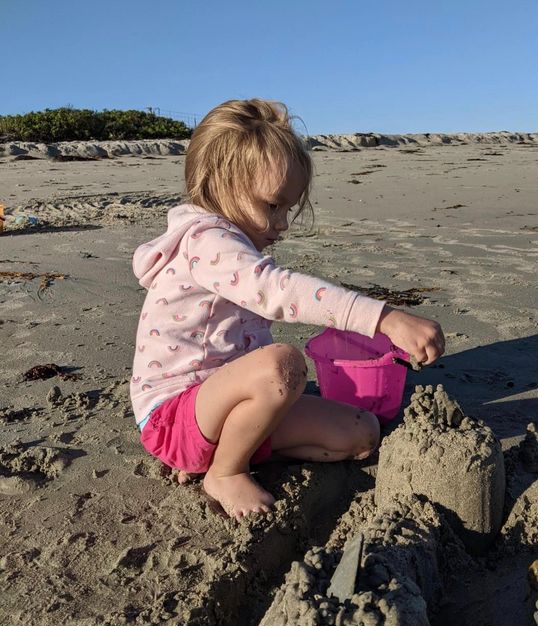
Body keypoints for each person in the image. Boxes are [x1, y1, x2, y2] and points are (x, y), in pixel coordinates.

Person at [130, 99, 444, 520]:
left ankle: (216, 453)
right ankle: (224, 471)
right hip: (174, 415)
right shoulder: (208, 240)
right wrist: (384, 317)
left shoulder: (231, 241)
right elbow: (274, 290)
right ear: (218, 185)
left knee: (362, 433)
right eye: (271, 205)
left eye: (289, 208)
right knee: (283, 366)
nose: (283, 223)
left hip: (228, 411)